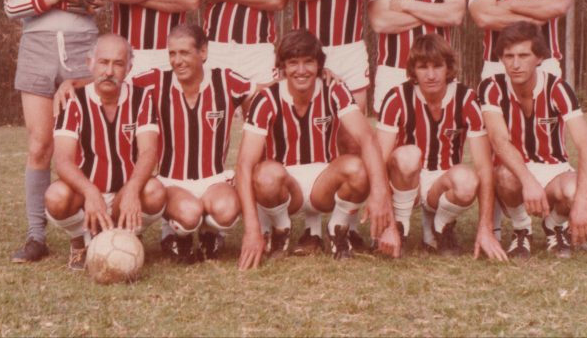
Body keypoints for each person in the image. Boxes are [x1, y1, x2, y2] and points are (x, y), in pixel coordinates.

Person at [1, 0, 106, 263]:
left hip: (82, 46)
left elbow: (92, 3)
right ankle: (36, 235)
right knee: (40, 144)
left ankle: (88, 227)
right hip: (37, 47)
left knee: (88, 141)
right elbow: (12, 8)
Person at [235, 29, 396, 270]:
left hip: (324, 183)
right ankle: (281, 228)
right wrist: (251, 229)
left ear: (319, 64)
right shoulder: (266, 99)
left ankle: (337, 228)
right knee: (265, 174)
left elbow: (368, 139)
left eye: (308, 62)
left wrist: (380, 193)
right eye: (293, 63)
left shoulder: (334, 89)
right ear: (282, 66)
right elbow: (244, 164)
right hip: (284, 186)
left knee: (358, 167)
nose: (301, 70)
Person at [468, 0, 572, 239]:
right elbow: (484, 16)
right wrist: (535, 10)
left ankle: (557, 223)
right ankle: (497, 224)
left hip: (546, 64)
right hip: (497, 66)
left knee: (549, 142)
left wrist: (508, 5)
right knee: (497, 145)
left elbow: (557, 6)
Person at [374, 34, 507, 261]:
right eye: (423, 67)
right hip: (407, 181)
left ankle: (441, 227)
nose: (431, 74)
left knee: (467, 181)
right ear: (413, 70)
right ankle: (400, 226)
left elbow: (484, 167)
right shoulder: (396, 97)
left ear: (449, 68)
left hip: (442, 182)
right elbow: (379, 163)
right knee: (409, 155)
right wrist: (387, 224)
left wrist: (485, 228)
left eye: (437, 66)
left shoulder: (467, 99)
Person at [133, 24, 255, 263]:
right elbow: (111, 82)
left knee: (227, 211)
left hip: (213, 179)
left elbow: (265, 92)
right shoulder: (155, 81)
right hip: (171, 181)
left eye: (184, 53)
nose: (177, 61)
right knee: (189, 215)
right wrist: (71, 84)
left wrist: (321, 76)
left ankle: (210, 233)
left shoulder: (226, 80)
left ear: (203, 52)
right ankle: (173, 234)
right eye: (172, 53)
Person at [45, 34, 166, 270]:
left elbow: (149, 151)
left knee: (155, 191)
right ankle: (79, 239)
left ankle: (127, 233)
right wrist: (90, 191)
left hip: (123, 192)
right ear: (90, 63)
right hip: (85, 196)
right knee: (55, 196)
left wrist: (132, 189)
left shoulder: (142, 98)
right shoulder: (73, 100)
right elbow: (62, 160)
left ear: (128, 68)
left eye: (118, 64)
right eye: (103, 62)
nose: (109, 71)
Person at [478, 21, 587, 259]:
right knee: (504, 175)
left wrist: (583, 202)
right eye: (509, 56)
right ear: (501, 59)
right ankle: (522, 230)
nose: (515, 64)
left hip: (553, 170)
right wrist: (528, 180)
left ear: (539, 58)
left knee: (574, 190)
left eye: (524, 55)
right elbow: (499, 141)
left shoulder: (558, 88)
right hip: (514, 173)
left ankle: (554, 226)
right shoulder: (491, 88)